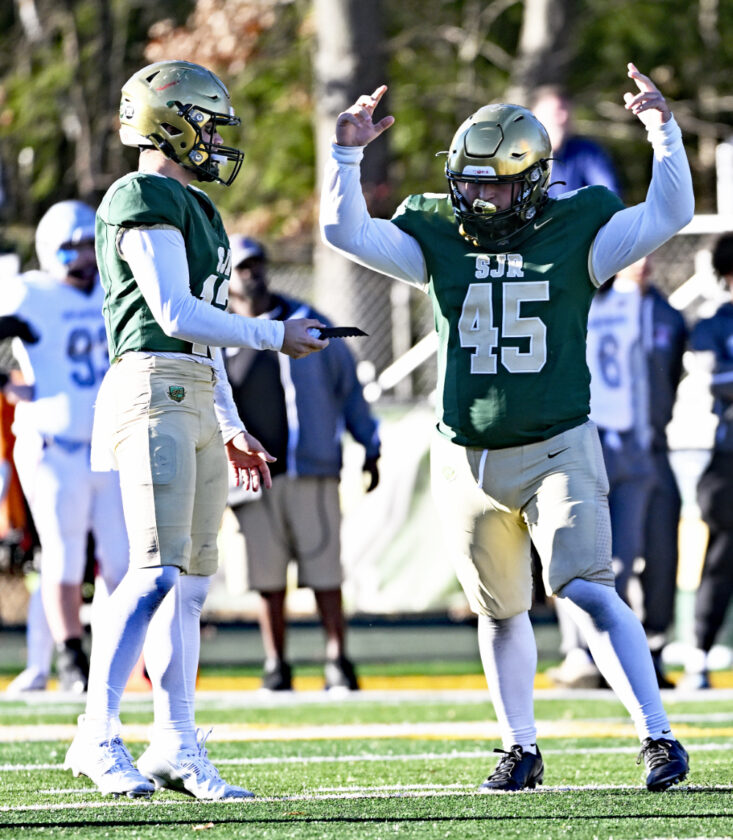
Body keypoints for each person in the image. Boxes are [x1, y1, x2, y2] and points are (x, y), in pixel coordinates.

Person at [320, 63, 693, 792]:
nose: (479, 195)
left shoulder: (575, 224)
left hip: (557, 445)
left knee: (584, 587)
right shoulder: (439, 231)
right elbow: (343, 231)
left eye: (494, 181)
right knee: (497, 613)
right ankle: (519, 747)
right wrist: (344, 155)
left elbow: (665, 217)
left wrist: (662, 133)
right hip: (465, 457)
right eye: (470, 180)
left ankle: (657, 736)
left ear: (530, 178)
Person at [64, 60, 327, 800]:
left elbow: (202, 342)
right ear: (171, 122)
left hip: (194, 391)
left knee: (188, 587)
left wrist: (231, 419)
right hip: (149, 385)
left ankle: (175, 742)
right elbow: (173, 315)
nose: (215, 138)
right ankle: (95, 733)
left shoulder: (201, 210)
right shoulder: (140, 193)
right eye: (206, 122)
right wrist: (274, 336)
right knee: (151, 573)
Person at [224, 235, 380, 692]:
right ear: (227, 279)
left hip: (311, 467)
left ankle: (337, 660)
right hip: (253, 476)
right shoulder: (219, 331)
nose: (251, 273)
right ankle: (276, 664)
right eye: (242, 267)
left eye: (257, 263)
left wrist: (369, 444)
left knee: (324, 572)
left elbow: (348, 387)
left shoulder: (307, 322)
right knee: (266, 578)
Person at [0, 200, 130, 695]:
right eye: (69, 246)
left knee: (122, 562)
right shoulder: (27, 293)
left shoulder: (115, 287)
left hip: (111, 445)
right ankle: (71, 658)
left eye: (86, 244)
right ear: (48, 250)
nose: (81, 257)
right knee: (64, 556)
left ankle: (111, 659)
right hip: (53, 446)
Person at [550, 255, 687, 690]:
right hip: (585, 436)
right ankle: (577, 653)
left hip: (635, 440)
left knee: (625, 559)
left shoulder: (646, 306)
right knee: (575, 548)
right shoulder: (583, 297)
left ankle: (622, 653)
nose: (641, 262)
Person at [680, 232, 733, 689]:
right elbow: (713, 378)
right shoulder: (714, 323)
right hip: (728, 456)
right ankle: (698, 654)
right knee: (721, 557)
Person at [530, 85, 622, 198]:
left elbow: (609, 195)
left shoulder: (588, 152)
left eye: (566, 110)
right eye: (557, 112)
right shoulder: (517, 156)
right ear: (535, 116)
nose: (564, 118)